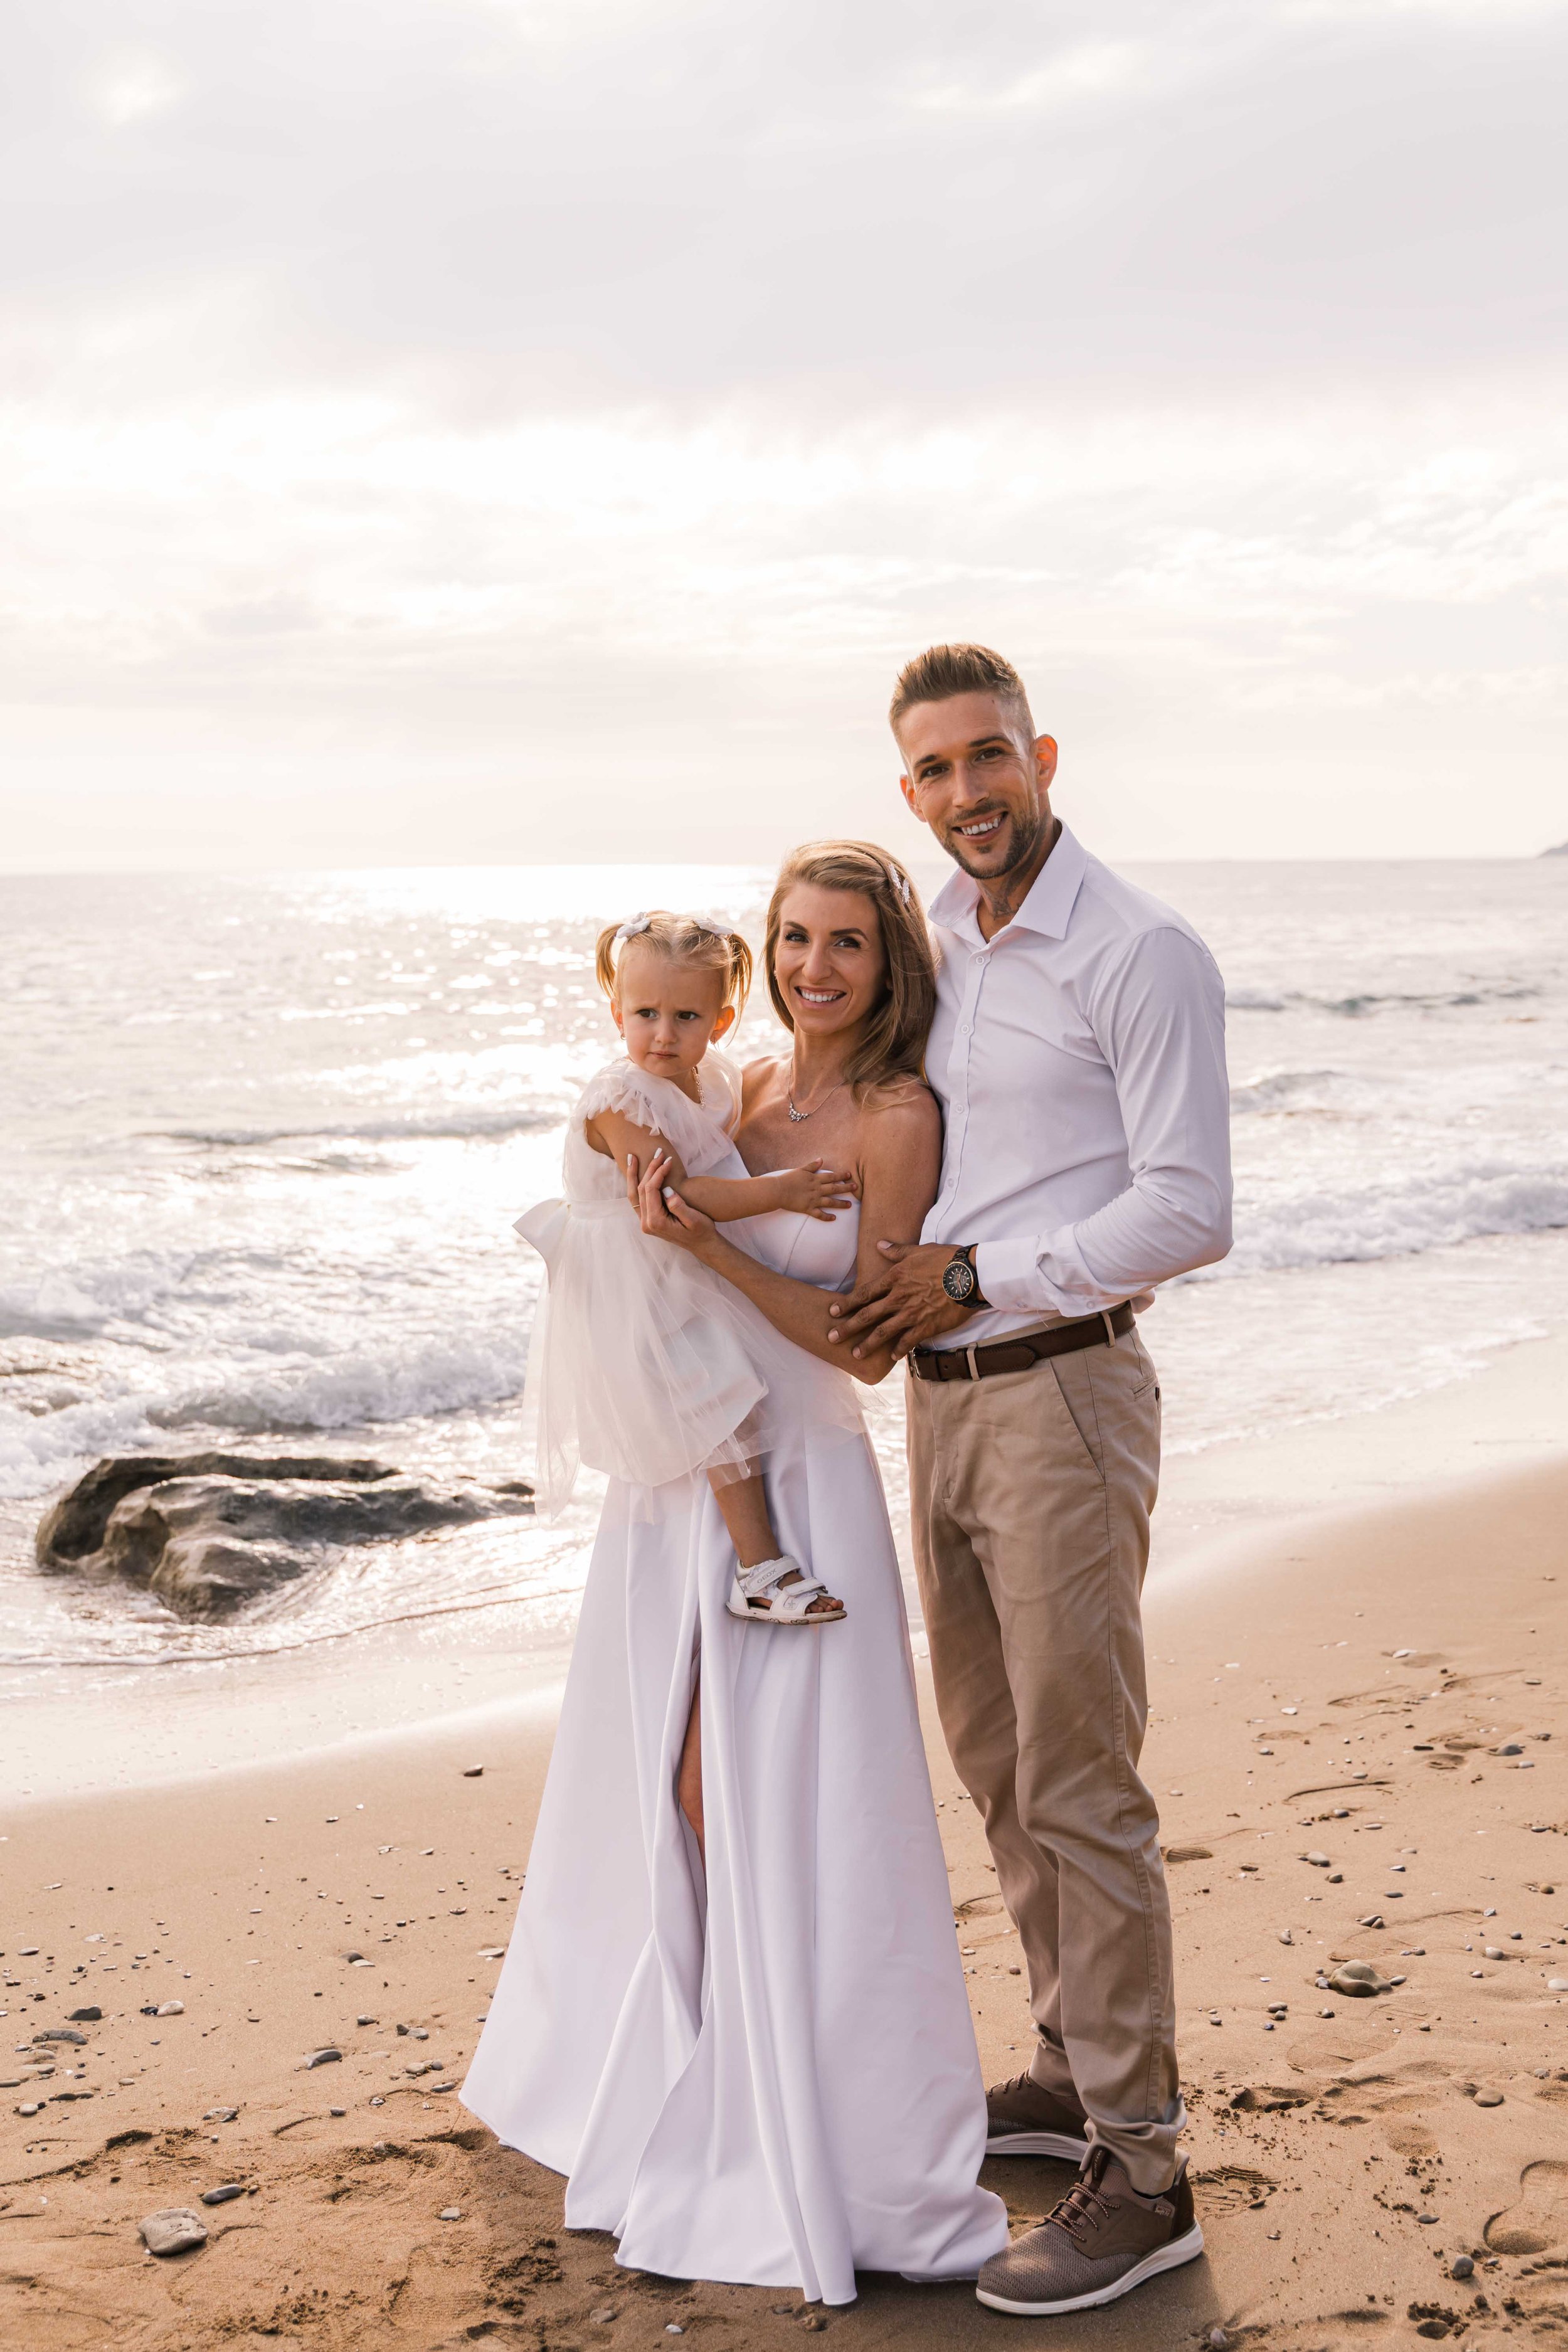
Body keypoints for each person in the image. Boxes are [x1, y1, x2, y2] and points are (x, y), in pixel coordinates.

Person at [462, 844, 1008, 2308]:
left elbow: (863, 1337)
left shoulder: (897, 1113)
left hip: (803, 1476)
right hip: (686, 1477)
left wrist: (703, 1245)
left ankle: (794, 2105)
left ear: (891, 960)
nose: (817, 966)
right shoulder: (738, 1079)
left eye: (847, 942)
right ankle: (670, 2068)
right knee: (666, 1783)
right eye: (795, 938)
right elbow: (616, 1202)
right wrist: (656, 1256)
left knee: (764, 1792)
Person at [830, 644, 1234, 2318]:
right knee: (997, 1763)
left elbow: (1188, 1204)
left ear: (1042, 755)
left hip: (1063, 1394)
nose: (963, 795)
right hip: (942, 1401)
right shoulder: (936, 936)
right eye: (930, 771)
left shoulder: (1138, 950)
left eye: (985, 758)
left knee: (1082, 1780)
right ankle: (1069, 2069)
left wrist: (982, 1270)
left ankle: (1144, 2174)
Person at [518, 906, 856, 1626]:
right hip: (629, 1276)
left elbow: (714, 1151)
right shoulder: (617, 1098)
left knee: (735, 1387)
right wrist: (781, 1192)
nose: (662, 1035)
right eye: (644, 1013)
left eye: (684, 1017)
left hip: (669, 1262)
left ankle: (753, 1558)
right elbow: (674, 1193)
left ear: (720, 1023)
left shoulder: (711, 1081)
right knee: (715, 1398)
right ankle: (758, 1570)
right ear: (616, 1012)